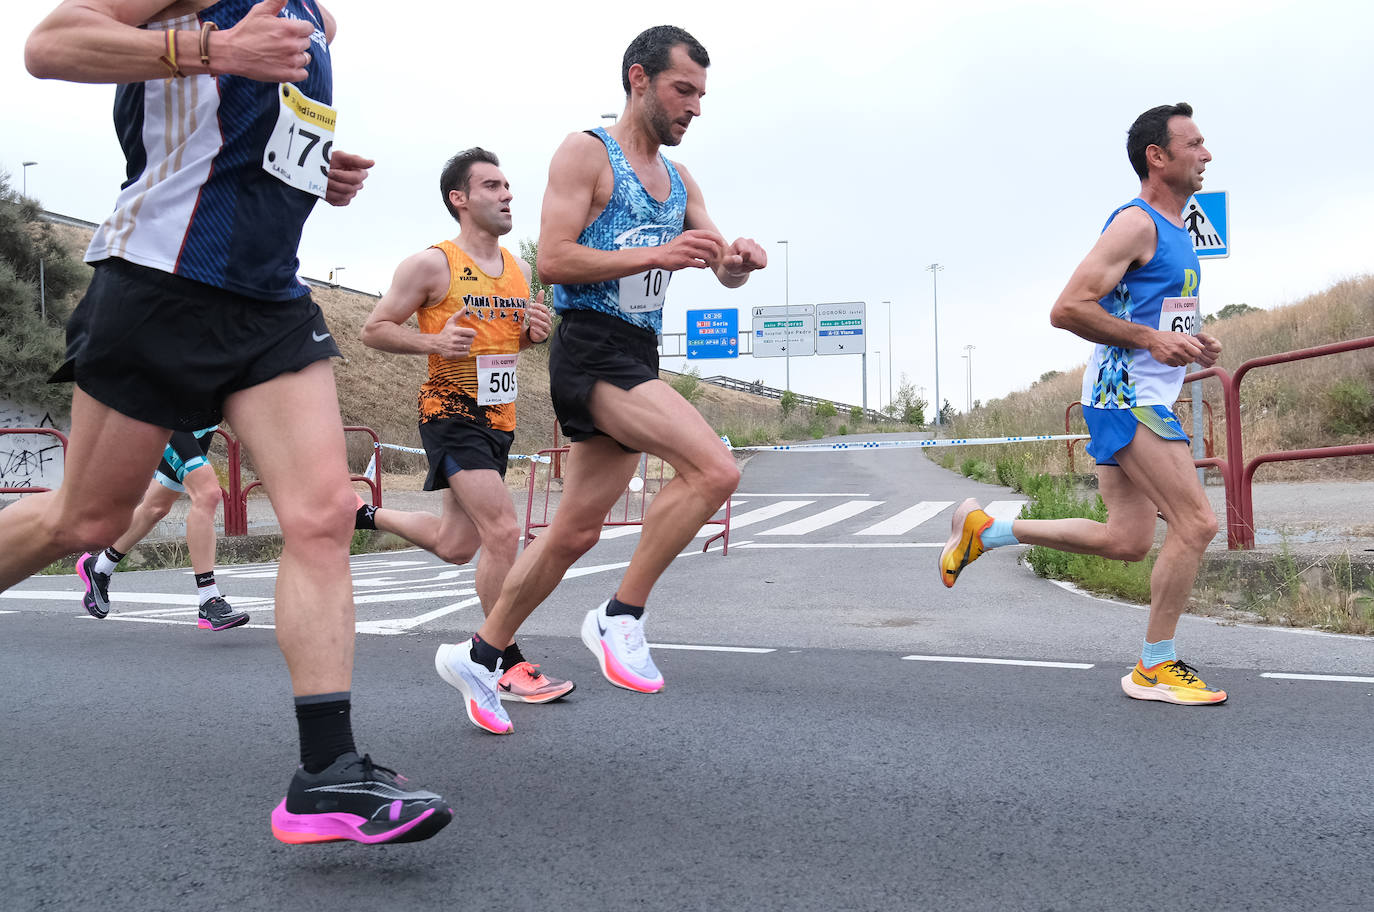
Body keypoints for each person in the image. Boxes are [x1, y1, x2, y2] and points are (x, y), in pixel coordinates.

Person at [19, 0, 450, 844]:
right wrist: (215, 44)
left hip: (269, 301)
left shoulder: (320, 16)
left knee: (324, 515)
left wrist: (307, 169)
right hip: (161, 278)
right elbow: (49, 45)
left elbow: (235, 128)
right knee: (88, 518)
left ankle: (325, 774)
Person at [433, 25, 766, 736]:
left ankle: (481, 653)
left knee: (573, 533)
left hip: (637, 353)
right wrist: (660, 251)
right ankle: (620, 616)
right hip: (591, 350)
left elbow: (715, 264)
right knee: (714, 470)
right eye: (684, 90)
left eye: (702, 96)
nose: (695, 108)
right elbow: (553, 258)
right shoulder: (588, 152)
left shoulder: (680, 181)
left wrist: (737, 259)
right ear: (639, 79)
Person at [940, 102, 1226, 707]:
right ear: (1158, 155)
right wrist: (1152, 340)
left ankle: (987, 531)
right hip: (1127, 400)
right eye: (1195, 144)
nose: (1207, 154)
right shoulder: (1137, 223)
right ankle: (1155, 666)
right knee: (1197, 524)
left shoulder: (1179, 228)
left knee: (1126, 540)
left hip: (1134, 394)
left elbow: (1144, 312)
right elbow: (1067, 307)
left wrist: (1191, 341)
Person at [357, 148, 571, 734]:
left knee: (457, 544)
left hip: (500, 420)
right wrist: (432, 345)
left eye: (508, 186)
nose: (507, 195)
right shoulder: (431, 265)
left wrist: (531, 336)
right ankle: (502, 663)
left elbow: (504, 344)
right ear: (461, 198)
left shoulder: (516, 268)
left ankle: (365, 513)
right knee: (504, 533)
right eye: (493, 186)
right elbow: (373, 329)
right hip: (451, 412)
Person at [77, 426, 249, 630]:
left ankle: (99, 567)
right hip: (171, 419)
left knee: (155, 508)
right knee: (207, 493)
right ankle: (208, 599)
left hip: (202, 425)